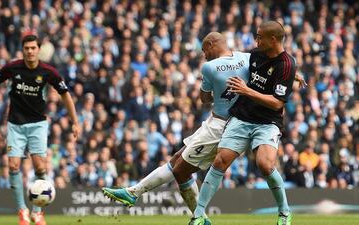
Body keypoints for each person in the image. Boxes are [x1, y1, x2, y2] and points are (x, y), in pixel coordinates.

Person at [102, 32, 251, 224]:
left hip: (220, 126)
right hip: (223, 123)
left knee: (180, 170)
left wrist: (213, 89)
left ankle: (197, 217)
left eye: (205, 50)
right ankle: (135, 192)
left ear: (213, 44)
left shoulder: (209, 67)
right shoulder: (246, 58)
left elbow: (204, 99)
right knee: (176, 160)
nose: (204, 55)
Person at [189, 21, 296, 225]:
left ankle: (284, 212)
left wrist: (247, 91)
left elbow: (276, 103)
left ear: (272, 39)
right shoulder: (255, 54)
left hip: (267, 121)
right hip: (242, 116)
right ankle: (198, 215)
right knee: (220, 161)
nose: (256, 41)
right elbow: (235, 63)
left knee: (265, 165)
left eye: (259, 37)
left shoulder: (287, 66)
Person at [0, 34, 80, 225]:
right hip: (15, 124)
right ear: (23, 50)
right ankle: (22, 212)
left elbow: (65, 95)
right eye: (26, 48)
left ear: (38, 49)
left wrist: (75, 122)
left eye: (33, 48)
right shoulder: (12, 67)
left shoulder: (48, 71)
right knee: (13, 166)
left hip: (37, 124)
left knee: (41, 167)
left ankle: (37, 212)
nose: (30, 51)